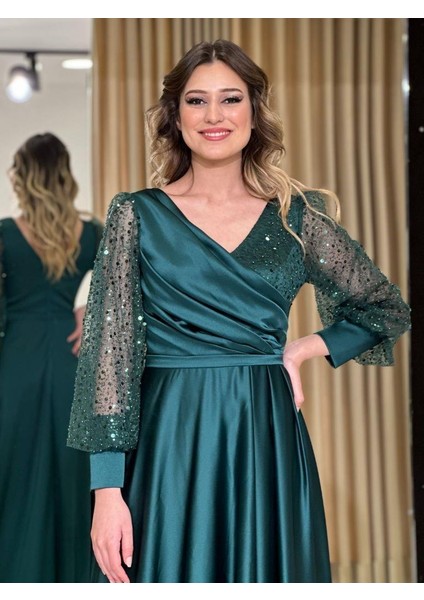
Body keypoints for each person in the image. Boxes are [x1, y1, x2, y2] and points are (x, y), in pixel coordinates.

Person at [67, 40, 411, 583]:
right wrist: (107, 490)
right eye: (196, 101)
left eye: (230, 99)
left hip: (264, 436)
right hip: (167, 440)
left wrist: (302, 349)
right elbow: (110, 362)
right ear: (175, 115)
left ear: (254, 111)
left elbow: (385, 308)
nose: (214, 116)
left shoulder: (297, 218)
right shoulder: (136, 214)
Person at [0, 133, 103, 582]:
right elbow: (127, 292)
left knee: (13, 470)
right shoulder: (93, 232)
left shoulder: (5, 233)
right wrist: (90, 313)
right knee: (69, 474)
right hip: (71, 362)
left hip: (14, 364)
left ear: (22, 177)